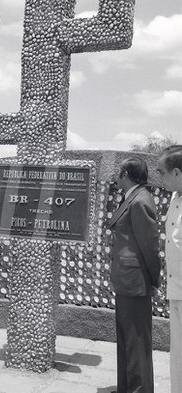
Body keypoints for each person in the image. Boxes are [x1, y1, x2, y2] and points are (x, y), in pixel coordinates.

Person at [108, 157, 161, 393]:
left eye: (118, 172)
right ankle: (126, 388)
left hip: (136, 281)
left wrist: (153, 280)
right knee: (127, 339)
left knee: (136, 342)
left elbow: (150, 245)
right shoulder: (131, 197)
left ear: (127, 174)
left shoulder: (140, 201)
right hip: (127, 281)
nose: (115, 176)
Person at [157, 145, 182, 393]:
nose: (159, 178)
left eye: (162, 172)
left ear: (177, 173)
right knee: (177, 358)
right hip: (176, 291)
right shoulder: (175, 198)